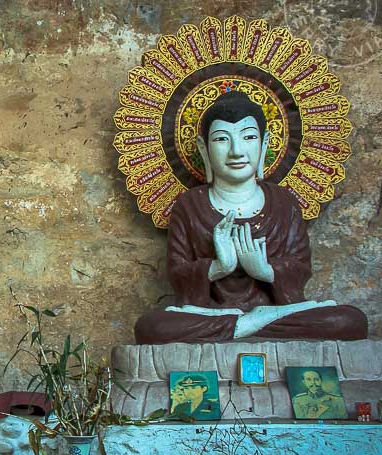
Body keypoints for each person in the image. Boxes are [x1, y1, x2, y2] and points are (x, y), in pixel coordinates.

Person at [135, 91, 367, 343]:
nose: (236, 151)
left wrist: (265, 271)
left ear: (264, 143)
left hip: (278, 310)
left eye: (248, 137)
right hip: (209, 313)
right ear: (204, 148)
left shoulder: (283, 202)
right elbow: (179, 275)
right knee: (152, 328)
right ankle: (252, 323)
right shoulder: (190, 205)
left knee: (348, 321)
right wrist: (218, 267)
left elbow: (300, 267)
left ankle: (245, 324)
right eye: (222, 139)